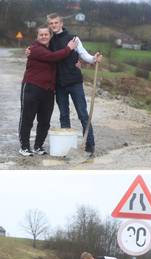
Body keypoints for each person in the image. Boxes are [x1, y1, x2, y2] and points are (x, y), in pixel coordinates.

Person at [47, 13, 103, 156]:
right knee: (63, 115)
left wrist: (93, 58)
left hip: (74, 82)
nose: (54, 25)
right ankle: (67, 147)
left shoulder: (74, 38)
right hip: (59, 84)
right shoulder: (50, 41)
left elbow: (84, 55)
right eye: (51, 23)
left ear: (61, 23)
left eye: (56, 22)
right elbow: (44, 56)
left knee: (83, 115)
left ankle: (90, 146)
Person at [18, 27, 78, 156]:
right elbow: (53, 57)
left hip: (48, 90)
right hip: (32, 88)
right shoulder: (34, 49)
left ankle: (38, 146)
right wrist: (69, 48)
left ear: (50, 36)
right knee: (27, 119)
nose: (44, 36)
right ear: (37, 36)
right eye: (41, 34)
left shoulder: (51, 48)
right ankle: (24, 147)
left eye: (46, 34)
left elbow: (61, 58)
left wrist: (78, 61)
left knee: (45, 121)